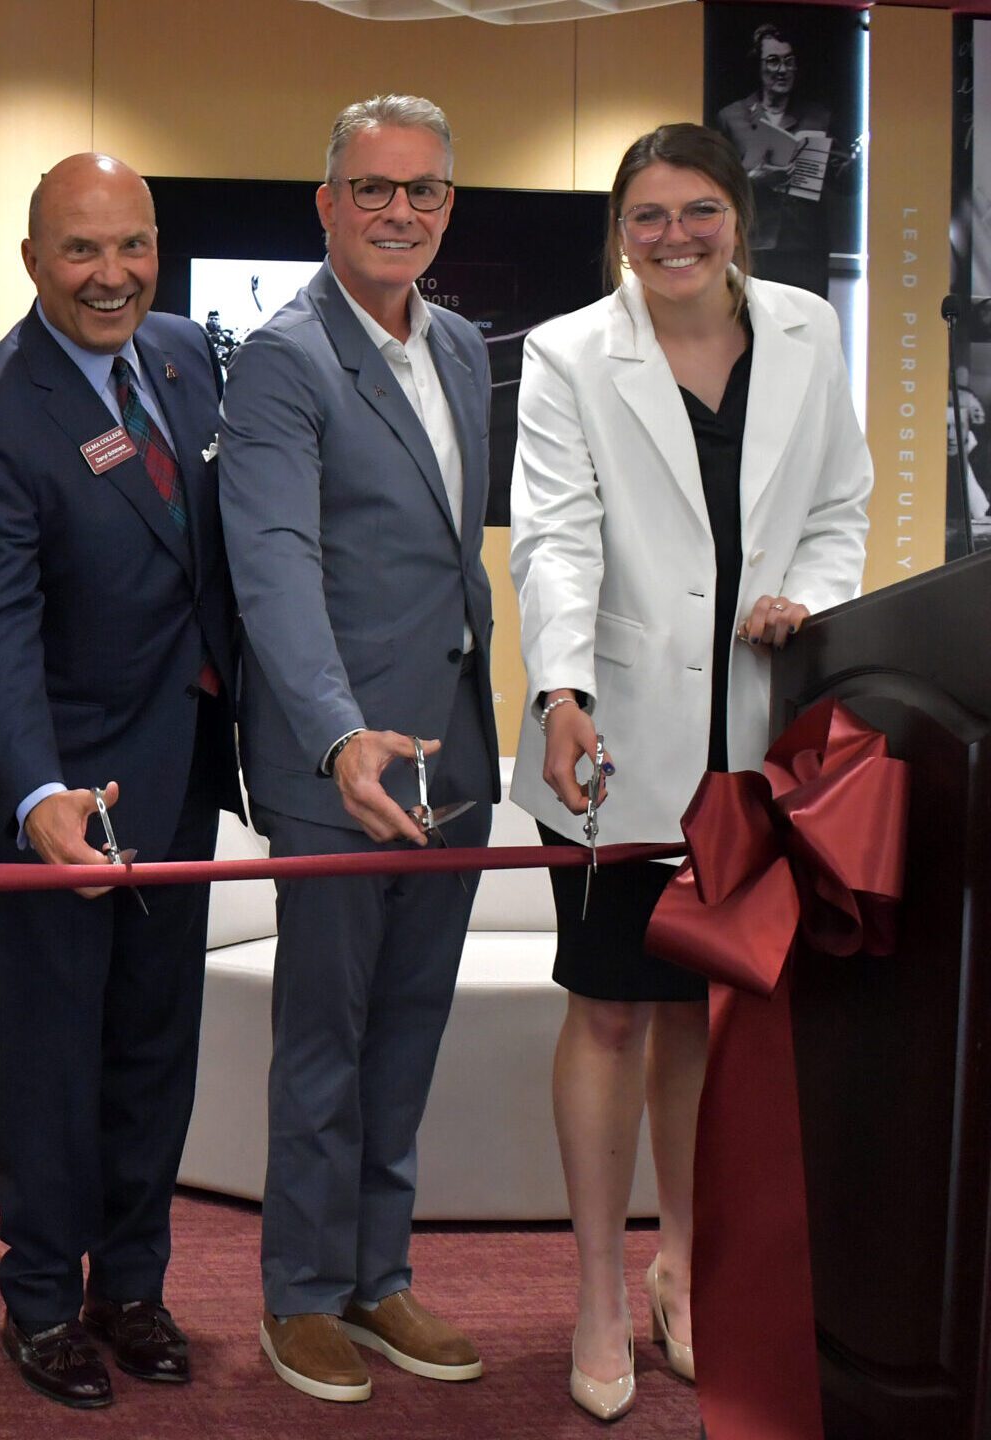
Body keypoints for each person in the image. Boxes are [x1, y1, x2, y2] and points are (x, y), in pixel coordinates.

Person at [509, 121, 871, 1422]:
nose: (674, 238)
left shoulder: (806, 332)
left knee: (701, 1012)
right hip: (608, 742)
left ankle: (682, 1270)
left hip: (755, 739)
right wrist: (560, 690)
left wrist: (806, 596)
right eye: (648, 216)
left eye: (698, 211)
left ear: (738, 219)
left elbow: (837, 507)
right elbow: (553, 540)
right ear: (620, 230)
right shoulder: (568, 352)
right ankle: (598, 1294)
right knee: (612, 1009)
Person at [0, 152, 239, 1410]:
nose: (111, 275)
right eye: (80, 250)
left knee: (156, 1047)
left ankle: (133, 1287)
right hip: (63, 798)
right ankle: (44, 1300)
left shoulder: (185, 356)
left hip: (183, 769)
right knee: (56, 1058)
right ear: (30, 261)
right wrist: (31, 792)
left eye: (132, 245)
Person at [218, 93, 498, 1406]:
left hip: (452, 758)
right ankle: (301, 1295)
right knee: (324, 1046)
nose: (399, 212)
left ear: (448, 206)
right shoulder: (285, 358)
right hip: (341, 769)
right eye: (373, 189)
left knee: (407, 1036)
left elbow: (450, 558)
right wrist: (336, 736)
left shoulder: (463, 350)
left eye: (422, 190)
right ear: (326, 204)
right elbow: (274, 566)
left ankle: (378, 1277)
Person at [712, 23, 845, 298]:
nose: (782, 70)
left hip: (807, 247)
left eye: (789, 61)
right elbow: (713, 185)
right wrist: (752, 180)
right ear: (758, 66)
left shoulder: (819, 117)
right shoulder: (731, 117)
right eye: (773, 61)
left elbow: (846, 185)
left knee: (809, 320)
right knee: (750, 319)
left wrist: (848, 167)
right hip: (753, 244)